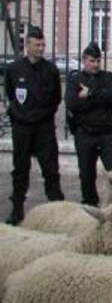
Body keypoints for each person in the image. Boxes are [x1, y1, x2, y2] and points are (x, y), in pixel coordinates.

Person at [4, 26, 64, 224]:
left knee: (50, 169)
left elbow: (56, 97)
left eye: (43, 44)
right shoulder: (14, 69)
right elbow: (11, 95)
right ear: (27, 46)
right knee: (20, 169)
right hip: (22, 128)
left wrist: (43, 115)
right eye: (37, 45)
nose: (41, 48)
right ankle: (17, 209)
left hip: (44, 127)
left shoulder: (50, 70)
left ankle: (56, 210)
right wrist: (19, 116)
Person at [65, 42, 112, 206]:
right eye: (92, 61)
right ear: (84, 60)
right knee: (86, 174)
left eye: (98, 61)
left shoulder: (108, 77)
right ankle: (90, 203)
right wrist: (100, 98)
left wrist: (89, 94)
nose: (96, 64)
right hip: (85, 133)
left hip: (106, 133)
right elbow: (73, 103)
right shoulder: (75, 79)